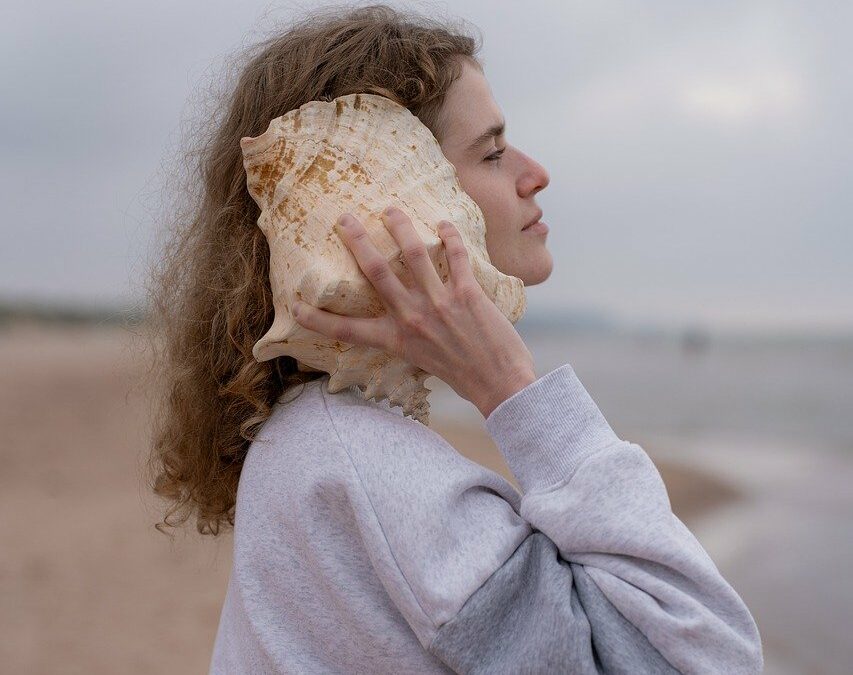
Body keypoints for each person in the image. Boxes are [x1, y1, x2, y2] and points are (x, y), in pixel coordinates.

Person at [143, 4, 763, 673]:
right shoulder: (366, 474)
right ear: (382, 200)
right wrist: (513, 390)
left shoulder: (316, 443)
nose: (534, 173)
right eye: (492, 152)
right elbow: (711, 655)